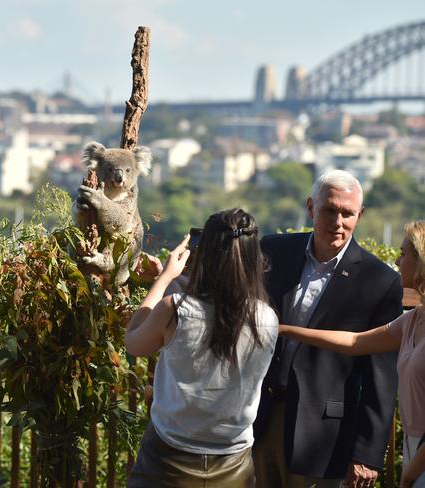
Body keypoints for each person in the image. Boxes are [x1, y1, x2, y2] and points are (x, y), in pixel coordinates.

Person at [252, 170, 403, 488]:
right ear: (310, 208)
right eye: (330, 210)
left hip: (322, 436)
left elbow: (382, 375)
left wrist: (366, 452)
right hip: (257, 419)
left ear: (360, 215)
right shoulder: (274, 251)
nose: (339, 221)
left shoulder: (380, 281)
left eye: (348, 213)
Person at [126, 208, 279, 487]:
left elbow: (134, 341)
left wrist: (165, 277)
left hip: (167, 460)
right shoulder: (266, 318)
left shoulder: (175, 310)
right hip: (234, 462)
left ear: (204, 254)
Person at [279, 220, 425, 488]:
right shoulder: (415, 319)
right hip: (415, 448)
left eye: (404, 254)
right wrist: (287, 330)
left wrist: (410, 473)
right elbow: (355, 342)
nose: (397, 259)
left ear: (421, 262)